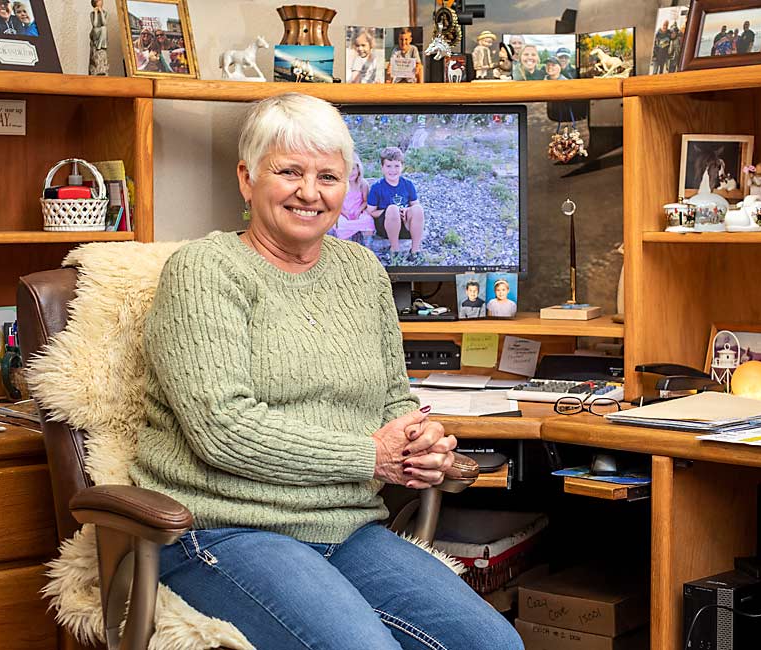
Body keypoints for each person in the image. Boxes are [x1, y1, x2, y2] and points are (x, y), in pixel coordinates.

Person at [135, 92, 521, 650]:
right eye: (289, 172)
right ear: (246, 179)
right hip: (226, 529)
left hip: (346, 525)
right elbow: (223, 431)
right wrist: (373, 456)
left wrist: (418, 441)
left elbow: (392, 396)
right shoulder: (204, 271)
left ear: (349, 185)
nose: (310, 193)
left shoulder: (363, 270)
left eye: (328, 176)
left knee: (495, 645)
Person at [367, 146, 425, 265]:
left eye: (397, 166)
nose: (393, 170)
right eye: (388, 166)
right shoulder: (377, 187)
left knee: (418, 209)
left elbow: (415, 204)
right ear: (382, 168)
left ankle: (415, 251)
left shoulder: (408, 184)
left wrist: (406, 210)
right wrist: (390, 212)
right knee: (393, 208)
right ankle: (395, 250)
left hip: (405, 225)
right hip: (386, 227)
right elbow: (371, 211)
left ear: (402, 167)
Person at [333, 153, 375, 245]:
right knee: (340, 224)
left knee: (369, 221)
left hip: (358, 211)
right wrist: (344, 212)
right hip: (343, 212)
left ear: (358, 169)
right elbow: (337, 203)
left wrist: (359, 211)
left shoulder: (363, 184)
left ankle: (367, 247)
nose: (350, 173)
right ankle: (346, 248)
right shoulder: (340, 185)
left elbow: (365, 201)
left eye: (353, 169)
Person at [89, 0, 108, 75]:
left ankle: (100, 46)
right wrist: (96, 13)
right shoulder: (92, 13)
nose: (101, 1)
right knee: (100, 29)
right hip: (95, 32)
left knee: (104, 29)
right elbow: (95, 24)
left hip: (102, 32)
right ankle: (99, 46)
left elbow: (104, 23)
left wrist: (101, 13)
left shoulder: (105, 12)